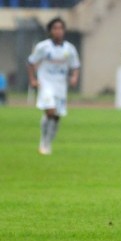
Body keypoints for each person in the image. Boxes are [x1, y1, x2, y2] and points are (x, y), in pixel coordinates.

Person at [27, 17, 80, 155]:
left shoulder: (69, 48)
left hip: (60, 86)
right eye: (55, 28)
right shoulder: (43, 47)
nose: (58, 31)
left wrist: (74, 77)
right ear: (50, 31)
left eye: (61, 28)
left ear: (64, 30)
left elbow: (75, 66)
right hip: (45, 84)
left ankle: (48, 142)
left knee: (56, 116)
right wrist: (33, 79)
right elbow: (31, 62)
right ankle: (43, 142)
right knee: (50, 111)